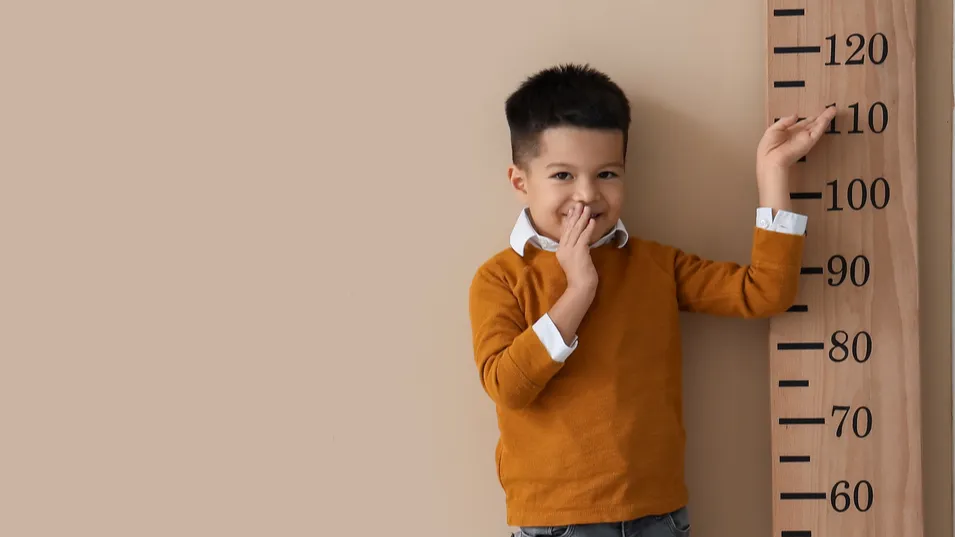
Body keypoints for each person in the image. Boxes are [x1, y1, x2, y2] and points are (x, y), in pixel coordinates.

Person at [467, 63, 836, 537]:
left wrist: (773, 175)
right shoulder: (499, 278)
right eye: (562, 174)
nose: (587, 194)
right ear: (520, 181)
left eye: (606, 173)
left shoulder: (656, 266)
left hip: (658, 518)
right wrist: (579, 290)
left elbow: (765, 292)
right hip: (555, 524)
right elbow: (506, 387)